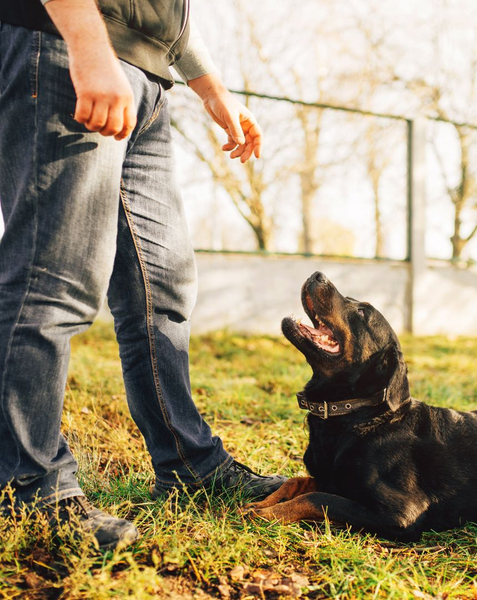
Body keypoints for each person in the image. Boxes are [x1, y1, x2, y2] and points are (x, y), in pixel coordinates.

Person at [0, 0, 285, 551]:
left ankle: (189, 464)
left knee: (162, 286)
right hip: (66, 44)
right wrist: (87, 48)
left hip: (148, 77)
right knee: (53, 280)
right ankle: (27, 487)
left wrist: (210, 87)